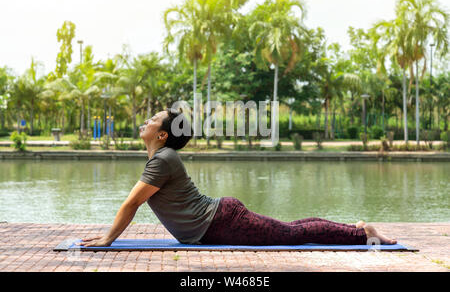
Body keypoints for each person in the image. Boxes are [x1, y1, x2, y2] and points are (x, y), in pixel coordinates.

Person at [79, 108, 397, 247]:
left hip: (221, 221)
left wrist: (109, 238)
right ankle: (355, 228)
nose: (145, 121)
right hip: (218, 220)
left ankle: (363, 235)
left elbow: (131, 203)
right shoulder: (163, 157)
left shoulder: (163, 159)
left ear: (162, 135)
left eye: (152, 119)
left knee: (291, 235)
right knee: (291, 229)